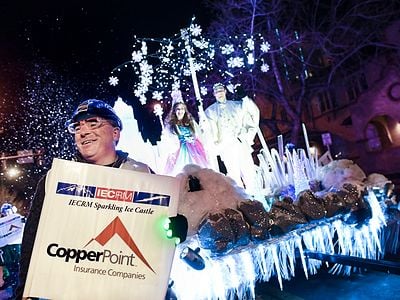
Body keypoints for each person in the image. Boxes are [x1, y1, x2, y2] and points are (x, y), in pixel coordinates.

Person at [15, 99, 186, 299]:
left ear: (116, 132)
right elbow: (33, 236)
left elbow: (162, 234)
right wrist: (24, 290)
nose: (83, 131)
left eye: (93, 123)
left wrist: (176, 228)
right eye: (77, 127)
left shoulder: (142, 174)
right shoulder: (57, 179)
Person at [204, 83, 260, 193]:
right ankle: (241, 199)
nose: (219, 93)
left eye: (221, 90)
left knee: (248, 170)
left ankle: (256, 195)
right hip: (226, 146)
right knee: (233, 174)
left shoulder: (236, 105)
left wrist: (245, 98)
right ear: (214, 94)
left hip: (239, 142)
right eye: (216, 92)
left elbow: (252, 111)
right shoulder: (210, 111)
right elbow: (207, 129)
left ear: (225, 91)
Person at [161, 101, 210, 176]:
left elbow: (197, 133)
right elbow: (169, 139)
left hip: (194, 148)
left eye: (182, 109)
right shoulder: (171, 125)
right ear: (174, 111)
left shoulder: (190, 122)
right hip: (180, 149)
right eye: (178, 109)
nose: (180, 111)